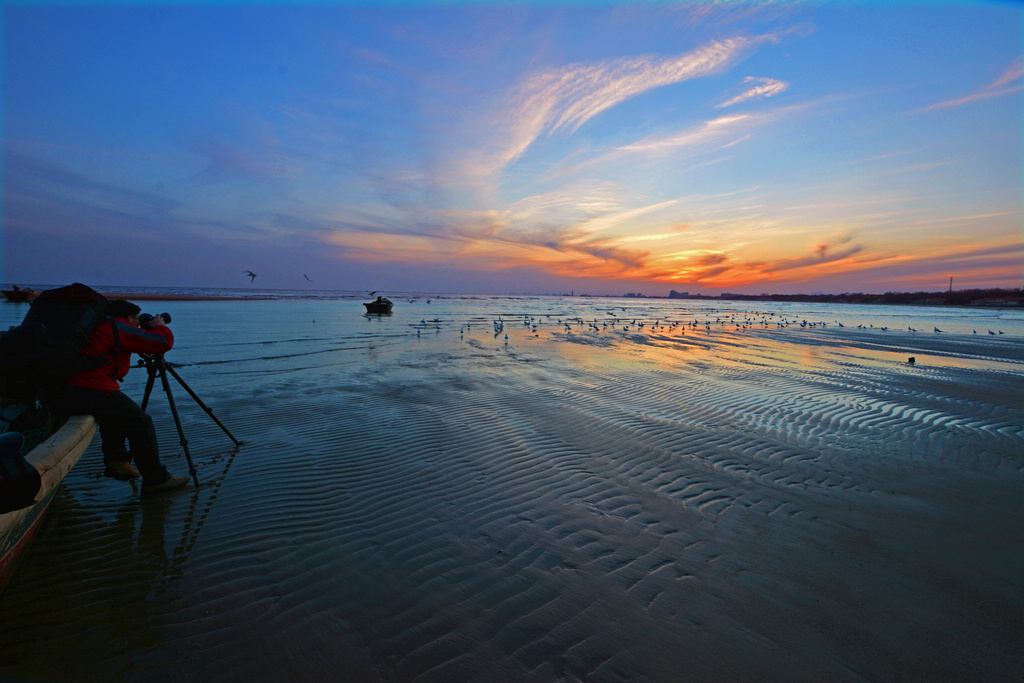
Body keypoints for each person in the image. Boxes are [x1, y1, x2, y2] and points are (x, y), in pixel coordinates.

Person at [44, 299, 189, 495]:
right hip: (90, 387)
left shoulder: (99, 326)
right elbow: (163, 343)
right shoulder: (116, 327)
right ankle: (156, 480)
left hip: (66, 390)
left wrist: (143, 332)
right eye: (137, 319)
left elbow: (134, 343)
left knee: (114, 412)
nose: (138, 323)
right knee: (141, 422)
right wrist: (159, 327)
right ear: (128, 317)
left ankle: (118, 463)